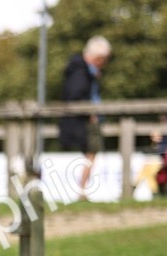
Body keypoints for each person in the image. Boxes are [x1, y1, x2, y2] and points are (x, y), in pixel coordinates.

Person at [59, 36, 112, 200]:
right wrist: (90, 113)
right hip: (82, 121)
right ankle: (81, 191)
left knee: (90, 153)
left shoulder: (82, 70)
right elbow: (76, 95)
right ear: (99, 58)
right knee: (91, 151)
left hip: (81, 120)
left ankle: (81, 190)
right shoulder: (81, 72)